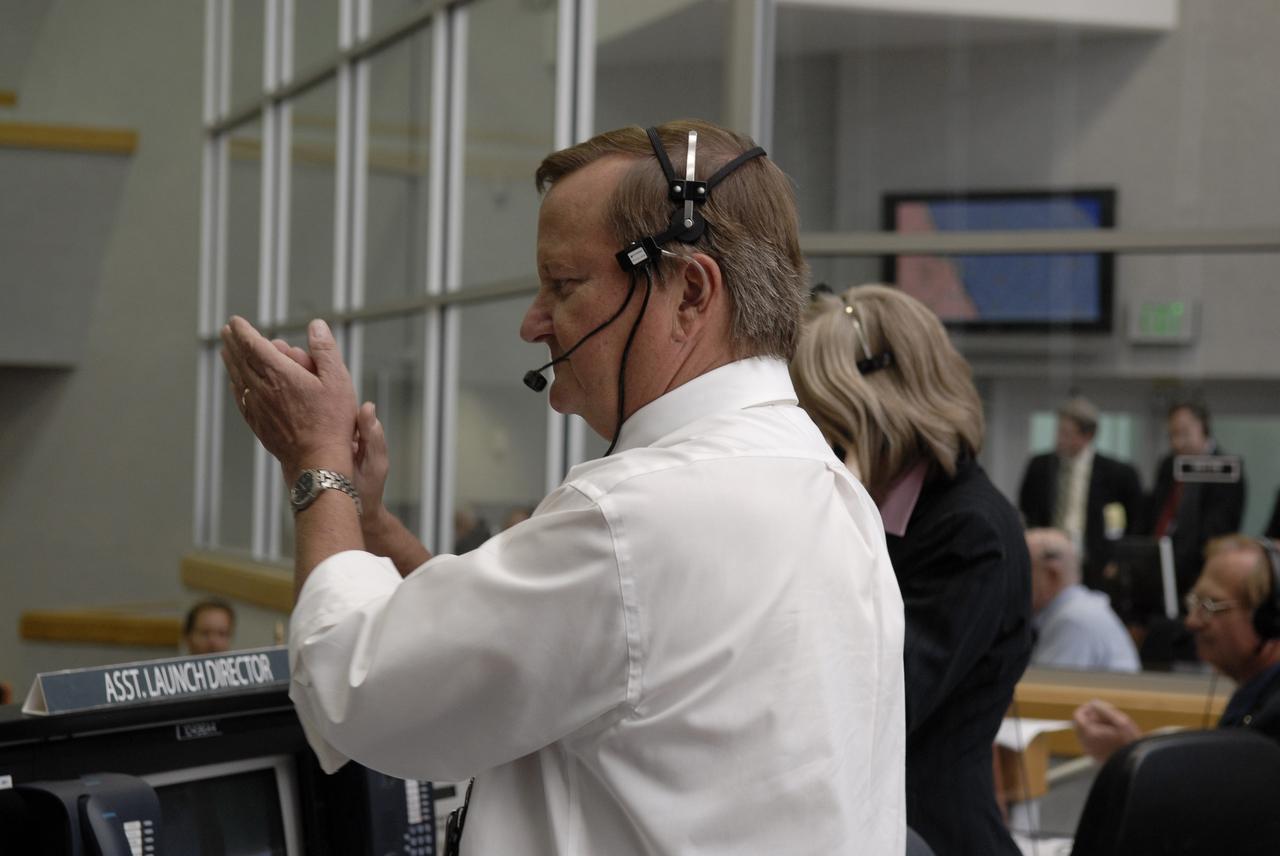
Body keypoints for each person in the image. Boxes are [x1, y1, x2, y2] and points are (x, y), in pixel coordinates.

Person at [220, 120, 906, 854]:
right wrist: (374, 526)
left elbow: (353, 687)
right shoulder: (831, 494)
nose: (532, 323)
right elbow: (546, 649)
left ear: (689, 292)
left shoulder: (635, 517)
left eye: (564, 285)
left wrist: (316, 465)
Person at [791, 283, 1031, 856]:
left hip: (932, 835)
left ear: (871, 413)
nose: (813, 440)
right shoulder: (909, 515)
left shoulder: (970, 534)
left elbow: (870, 705)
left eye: (823, 418)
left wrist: (830, 519)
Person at [1074, 535, 1280, 762]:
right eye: (1194, 602)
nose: (1192, 621)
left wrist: (1132, 755)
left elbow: (1230, 794)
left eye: (1210, 605)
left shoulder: (1273, 717)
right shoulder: (1253, 695)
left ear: (1269, 618)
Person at [1017, 395, 1143, 590]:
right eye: (1059, 431)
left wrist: (1117, 559)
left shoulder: (1117, 473)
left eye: (1067, 433)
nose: (1060, 439)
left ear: (1088, 436)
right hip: (1050, 561)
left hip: (1095, 563)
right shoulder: (1040, 466)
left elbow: (1130, 521)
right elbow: (1027, 509)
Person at [1144, 400, 1246, 603]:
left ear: (1203, 427)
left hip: (1199, 571)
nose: (1177, 443)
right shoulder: (1168, 465)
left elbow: (1219, 529)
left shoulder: (1226, 470)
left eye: (1184, 433)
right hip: (1158, 567)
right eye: (1172, 435)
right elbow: (1154, 513)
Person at [1025, 528, 1140, 673]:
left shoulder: (1074, 620)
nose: (1013, 582)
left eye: (1023, 571)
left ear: (1052, 573)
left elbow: (1043, 689)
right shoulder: (1071, 611)